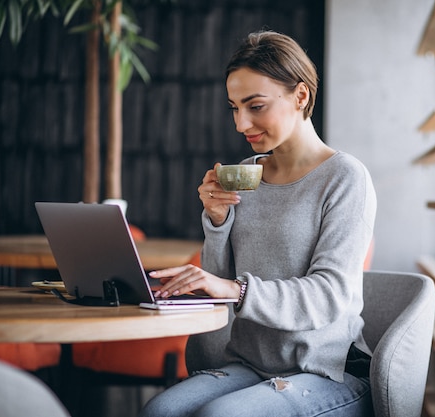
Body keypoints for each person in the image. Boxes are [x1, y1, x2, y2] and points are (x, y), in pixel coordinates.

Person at [139, 30, 377, 417]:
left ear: (300, 96)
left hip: (325, 371)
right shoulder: (246, 174)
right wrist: (217, 223)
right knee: (160, 411)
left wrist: (234, 287)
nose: (241, 123)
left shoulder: (345, 178)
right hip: (249, 364)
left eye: (256, 106)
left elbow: (329, 295)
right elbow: (221, 292)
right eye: (234, 107)